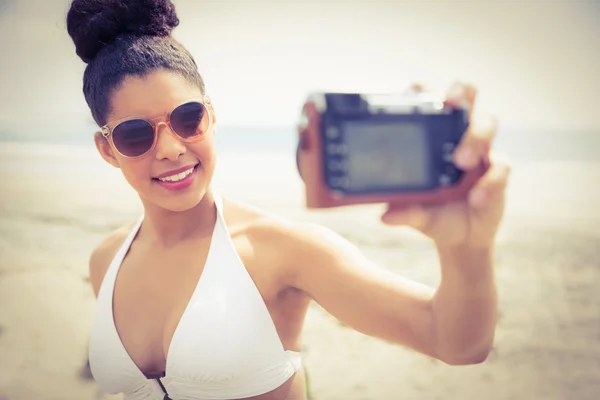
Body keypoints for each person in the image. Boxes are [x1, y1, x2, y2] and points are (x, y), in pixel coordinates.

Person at [66, 0, 510, 399]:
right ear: (108, 149)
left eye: (187, 118)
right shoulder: (106, 261)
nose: (168, 148)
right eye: (135, 134)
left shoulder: (280, 250)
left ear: (211, 115)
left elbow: (455, 342)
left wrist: (467, 248)